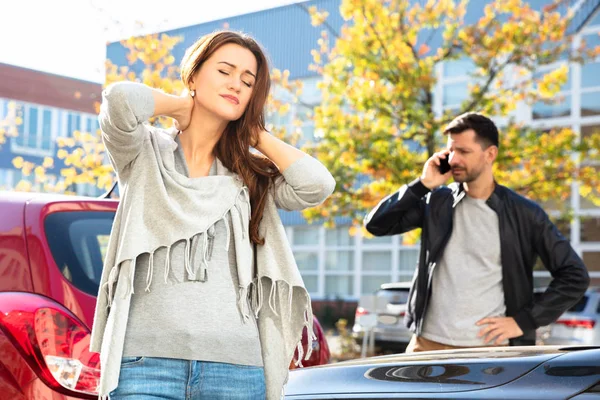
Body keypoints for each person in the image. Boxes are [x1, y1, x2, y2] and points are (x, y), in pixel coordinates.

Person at [89, 30, 336, 399]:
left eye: (248, 81)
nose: (236, 84)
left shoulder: (251, 175)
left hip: (236, 369)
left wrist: (257, 135)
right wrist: (179, 106)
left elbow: (317, 184)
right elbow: (119, 100)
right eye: (224, 70)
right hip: (146, 365)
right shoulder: (144, 153)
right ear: (194, 75)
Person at [364, 112, 589, 353]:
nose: (453, 159)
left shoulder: (524, 213)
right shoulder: (436, 201)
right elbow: (376, 225)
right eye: (450, 151)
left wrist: (523, 322)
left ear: (490, 154)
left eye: (463, 152)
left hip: (489, 352)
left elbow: (575, 276)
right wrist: (422, 184)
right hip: (426, 345)